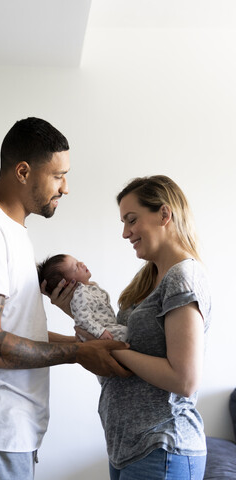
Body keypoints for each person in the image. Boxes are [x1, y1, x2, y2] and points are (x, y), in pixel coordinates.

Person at [0, 117, 129, 480]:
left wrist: (87, 343)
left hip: (3, 435)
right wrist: (79, 353)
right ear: (23, 171)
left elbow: (13, 330)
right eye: (58, 175)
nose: (65, 188)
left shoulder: (12, 233)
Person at [47, 175, 211, 480]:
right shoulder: (145, 283)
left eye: (131, 220)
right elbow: (111, 361)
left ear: (164, 214)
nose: (125, 232)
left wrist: (113, 350)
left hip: (163, 447)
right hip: (128, 447)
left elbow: (184, 379)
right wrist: (75, 313)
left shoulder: (182, 278)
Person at [37, 254, 128, 341]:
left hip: (107, 328)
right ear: (67, 283)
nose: (81, 263)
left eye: (78, 261)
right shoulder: (80, 293)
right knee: (126, 332)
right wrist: (100, 332)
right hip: (102, 331)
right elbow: (83, 319)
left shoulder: (90, 288)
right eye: (76, 267)